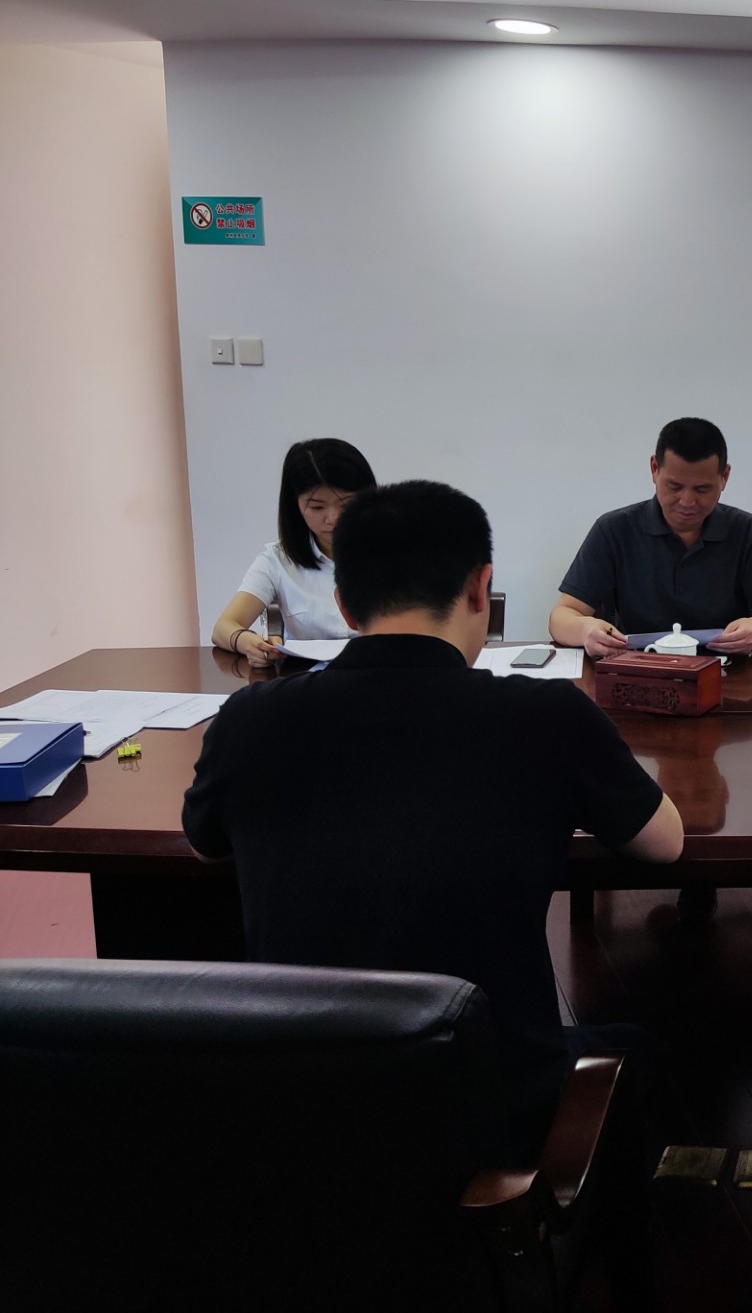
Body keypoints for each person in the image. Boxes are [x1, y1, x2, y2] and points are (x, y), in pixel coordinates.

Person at [183, 480, 684, 1157]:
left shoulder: (248, 720)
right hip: (489, 1110)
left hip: (300, 1110)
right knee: (635, 1046)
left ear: (344, 604)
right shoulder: (546, 716)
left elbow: (206, 844)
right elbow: (664, 842)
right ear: (481, 589)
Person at [549, 417, 752, 658]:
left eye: (702, 489)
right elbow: (562, 616)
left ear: (724, 477)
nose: (687, 502)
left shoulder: (746, 531)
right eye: (674, 486)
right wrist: (585, 630)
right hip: (640, 668)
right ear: (654, 469)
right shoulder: (614, 530)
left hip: (727, 672)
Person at [210, 438, 375, 667]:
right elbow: (224, 627)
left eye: (346, 505)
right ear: (295, 506)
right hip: (309, 679)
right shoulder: (277, 560)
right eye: (317, 507)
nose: (333, 518)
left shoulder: (400, 552)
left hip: (381, 673)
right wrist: (251, 643)